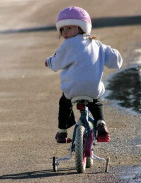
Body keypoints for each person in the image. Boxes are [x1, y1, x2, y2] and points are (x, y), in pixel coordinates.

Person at [45, 6, 123, 143]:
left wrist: (49, 62)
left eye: (69, 28)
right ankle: (101, 124)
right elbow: (114, 59)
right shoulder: (97, 45)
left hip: (72, 90)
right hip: (93, 89)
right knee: (96, 102)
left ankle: (62, 132)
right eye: (62, 29)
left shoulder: (68, 45)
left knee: (64, 102)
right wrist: (118, 58)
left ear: (81, 28)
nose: (65, 32)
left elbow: (57, 62)